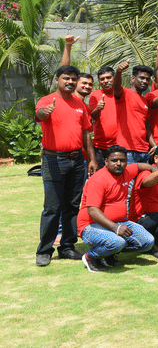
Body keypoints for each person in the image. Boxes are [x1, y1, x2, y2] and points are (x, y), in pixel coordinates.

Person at [35, 65, 99, 267]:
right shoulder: (47, 100)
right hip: (54, 160)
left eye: (73, 79)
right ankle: (45, 250)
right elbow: (40, 115)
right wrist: (46, 112)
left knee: (72, 205)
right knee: (52, 207)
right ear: (57, 80)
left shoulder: (80, 104)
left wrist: (92, 159)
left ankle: (67, 247)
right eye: (66, 78)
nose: (70, 82)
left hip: (77, 160)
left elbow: (86, 134)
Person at [76, 146, 158, 272]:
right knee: (117, 242)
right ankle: (91, 257)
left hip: (120, 222)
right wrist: (115, 228)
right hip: (91, 225)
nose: (119, 164)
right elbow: (92, 210)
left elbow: (139, 166)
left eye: (122, 160)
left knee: (148, 241)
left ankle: (108, 253)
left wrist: (154, 169)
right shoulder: (98, 180)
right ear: (106, 161)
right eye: (114, 160)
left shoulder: (126, 171)